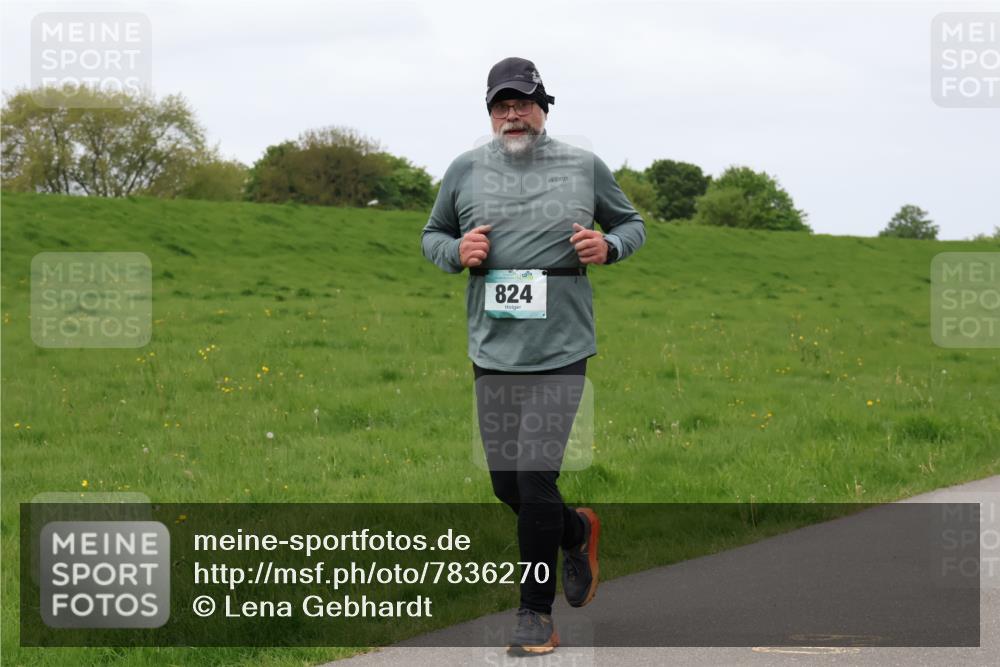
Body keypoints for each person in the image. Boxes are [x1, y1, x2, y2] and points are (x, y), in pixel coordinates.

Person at [420, 56, 646, 656]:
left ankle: (533, 613)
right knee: (506, 485)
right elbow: (432, 235)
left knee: (535, 476)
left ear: (544, 107)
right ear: (490, 113)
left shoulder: (582, 165)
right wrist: (456, 251)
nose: (511, 113)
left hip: (561, 346)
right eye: (500, 104)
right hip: (493, 347)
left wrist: (609, 244)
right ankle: (578, 531)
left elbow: (632, 223)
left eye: (521, 102)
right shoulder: (465, 170)